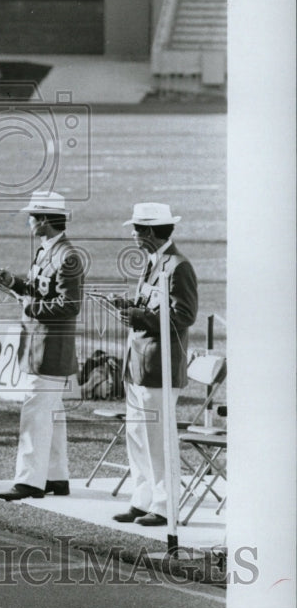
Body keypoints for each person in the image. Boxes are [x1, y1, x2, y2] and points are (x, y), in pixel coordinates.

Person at [0, 191, 85, 502]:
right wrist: (15, 284)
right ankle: (56, 477)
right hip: (40, 345)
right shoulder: (49, 251)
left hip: (50, 349)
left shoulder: (67, 256)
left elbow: (70, 306)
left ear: (45, 220)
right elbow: (40, 288)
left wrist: (31, 307)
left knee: (35, 413)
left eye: (33, 216)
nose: (29, 222)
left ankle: (30, 481)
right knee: (52, 415)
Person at [110, 202, 198, 527]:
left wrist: (138, 315)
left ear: (148, 232)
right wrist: (129, 307)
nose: (132, 235)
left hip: (159, 368)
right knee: (137, 434)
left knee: (158, 439)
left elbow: (185, 316)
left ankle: (164, 505)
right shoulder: (153, 262)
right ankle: (142, 498)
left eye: (136, 229)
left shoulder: (178, 266)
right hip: (140, 365)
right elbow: (153, 306)